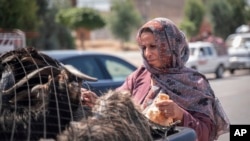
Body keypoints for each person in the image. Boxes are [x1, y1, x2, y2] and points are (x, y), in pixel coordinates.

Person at [81, 17, 230, 141]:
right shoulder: (139, 75)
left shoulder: (196, 83)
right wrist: (98, 103)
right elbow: (119, 107)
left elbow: (207, 133)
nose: (147, 54)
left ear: (171, 46)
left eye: (153, 46)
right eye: (144, 47)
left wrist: (180, 114)